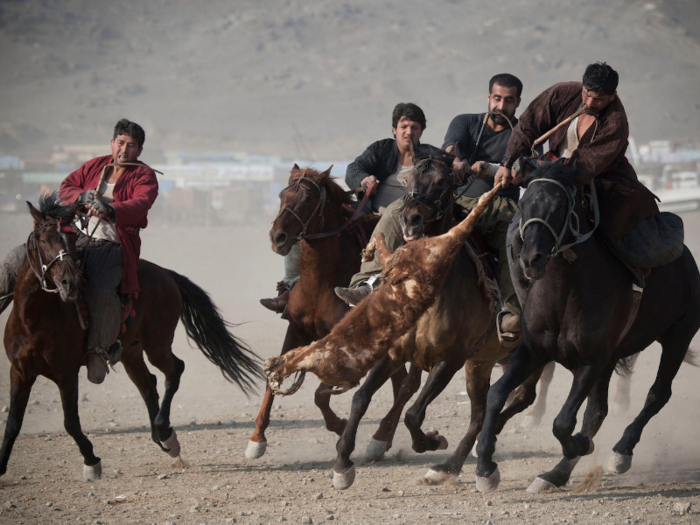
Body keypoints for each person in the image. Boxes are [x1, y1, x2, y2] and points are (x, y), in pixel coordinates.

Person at [335, 74, 528, 347]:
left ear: (518, 102)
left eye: (508, 100)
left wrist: (495, 169)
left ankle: (510, 310)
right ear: (488, 98)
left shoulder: (524, 133)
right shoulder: (466, 122)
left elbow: (526, 170)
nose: (501, 105)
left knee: (514, 238)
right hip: (457, 200)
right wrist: (458, 163)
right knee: (395, 212)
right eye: (496, 98)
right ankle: (367, 283)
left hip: (498, 204)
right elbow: (450, 148)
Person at [0, 119, 159, 384]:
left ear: (139, 151)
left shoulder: (144, 175)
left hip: (111, 240)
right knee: (19, 258)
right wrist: (81, 196)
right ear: (112, 143)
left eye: (131, 146)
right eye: (120, 143)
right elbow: (67, 187)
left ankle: (97, 350)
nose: (124, 150)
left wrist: (112, 209)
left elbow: (142, 202)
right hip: (73, 234)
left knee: (102, 286)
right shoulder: (95, 165)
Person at [496, 63, 665, 303]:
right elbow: (528, 125)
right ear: (582, 87)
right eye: (587, 94)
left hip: (599, 177)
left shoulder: (616, 121)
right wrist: (508, 161)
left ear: (612, 96)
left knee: (619, 230)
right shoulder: (562, 93)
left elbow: (584, 165)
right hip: (552, 173)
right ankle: (522, 306)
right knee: (516, 232)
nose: (590, 103)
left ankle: (634, 286)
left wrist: (537, 170)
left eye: (598, 99)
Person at [260, 102, 441, 313]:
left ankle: (367, 285)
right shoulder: (381, 149)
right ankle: (289, 288)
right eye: (404, 126)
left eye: (415, 127)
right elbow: (354, 168)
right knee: (306, 229)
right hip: (367, 214)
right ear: (395, 129)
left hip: (408, 221)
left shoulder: (430, 157)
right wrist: (364, 179)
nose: (409, 132)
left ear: (421, 131)